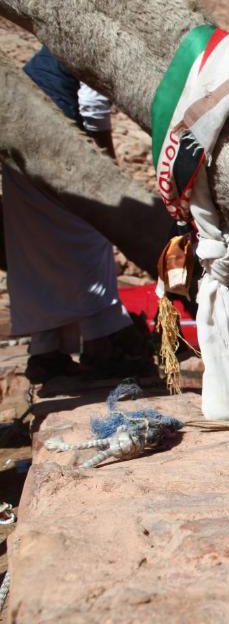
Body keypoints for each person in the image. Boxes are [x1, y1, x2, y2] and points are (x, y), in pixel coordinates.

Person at [1, 47, 150, 383]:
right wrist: (108, 173)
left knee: (36, 253)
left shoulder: (47, 56)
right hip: (59, 151)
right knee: (90, 240)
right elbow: (93, 110)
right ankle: (104, 343)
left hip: (16, 150)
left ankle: (46, 351)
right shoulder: (89, 47)